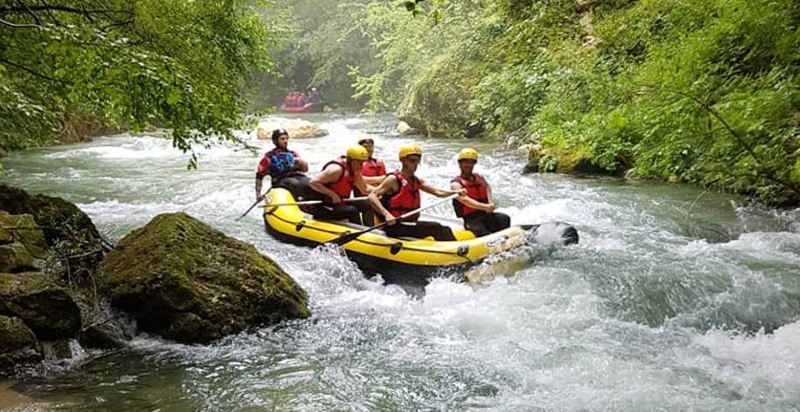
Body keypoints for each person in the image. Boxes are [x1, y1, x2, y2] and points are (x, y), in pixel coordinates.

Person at [368, 144, 463, 241]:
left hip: (409, 223)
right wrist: (386, 214)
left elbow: (439, 192)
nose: (415, 164)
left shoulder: (416, 180)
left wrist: (456, 192)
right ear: (403, 160)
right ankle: (456, 249)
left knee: (444, 228)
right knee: (436, 227)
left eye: (417, 161)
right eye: (412, 160)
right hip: (395, 225)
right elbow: (372, 196)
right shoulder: (393, 179)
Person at [306, 146, 375, 224]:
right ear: (350, 160)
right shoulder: (336, 170)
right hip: (324, 205)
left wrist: (380, 191)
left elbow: (364, 189)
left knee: (366, 205)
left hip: (341, 202)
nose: (361, 166)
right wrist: (332, 195)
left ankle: (369, 228)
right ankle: (359, 230)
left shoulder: (355, 170)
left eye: (363, 162)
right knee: (352, 210)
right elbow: (313, 182)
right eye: (359, 162)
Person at [450, 148, 510, 237]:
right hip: (471, 219)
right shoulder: (455, 184)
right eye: (466, 162)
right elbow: (465, 200)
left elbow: (487, 187)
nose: (469, 165)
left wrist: (490, 203)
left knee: (504, 218)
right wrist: (485, 207)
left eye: (472, 162)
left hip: (485, 214)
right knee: (480, 230)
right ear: (460, 163)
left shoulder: (479, 177)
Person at [255, 128, 309, 201]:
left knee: (309, 182)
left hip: (297, 177)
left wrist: (302, 163)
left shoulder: (293, 154)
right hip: (280, 180)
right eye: (282, 139)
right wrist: (258, 194)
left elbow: (305, 170)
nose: (286, 141)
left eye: (287, 139)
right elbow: (259, 176)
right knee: (294, 183)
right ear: (275, 141)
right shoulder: (269, 157)